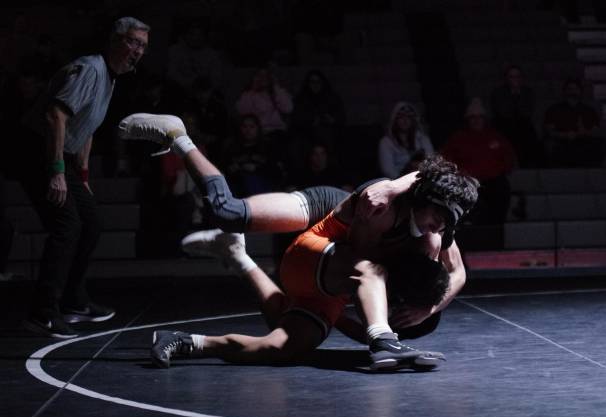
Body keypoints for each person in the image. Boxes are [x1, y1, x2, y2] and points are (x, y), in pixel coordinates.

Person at [118, 113, 479, 370]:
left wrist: (427, 310)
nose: (438, 228)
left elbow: (459, 273)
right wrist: (396, 184)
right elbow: (373, 243)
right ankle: (178, 136)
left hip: (332, 271)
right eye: (438, 218)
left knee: (282, 347)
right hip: (327, 226)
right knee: (226, 212)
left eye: (445, 224)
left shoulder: (433, 229)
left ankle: (196, 322)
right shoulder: (385, 207)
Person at [11, 17, 150, 339]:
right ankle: (42, 314)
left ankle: (74, 302)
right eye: (133, 42)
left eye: (143, 46)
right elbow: (55, 115)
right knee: (67, 226)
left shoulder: (111, 79)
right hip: (36, 151)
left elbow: (87, 127)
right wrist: (57, 172)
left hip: (63, 157)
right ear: (116, 41)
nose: (138, 51)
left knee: (91, 222)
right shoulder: (90, 69)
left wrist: (82, 174)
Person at [442, 98, 516, 225]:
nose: (476, 120)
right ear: (468, 119)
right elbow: (446, 159)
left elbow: (509, 157)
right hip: (467, 182)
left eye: (480, 117)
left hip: (493, 182)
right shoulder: (458, 138)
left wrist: (500, 170)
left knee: (501, 190)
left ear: (484, 119)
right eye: (473, 117)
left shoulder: (495, 136)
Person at [543, 79, 606, 167]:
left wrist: (583, 133)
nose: (572, 91)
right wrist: (565, 135)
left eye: (575, 89)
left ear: (580, 91)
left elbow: (596, 131)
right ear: (564, 91)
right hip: (562, 143)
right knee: (548, 144)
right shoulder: (553, 109)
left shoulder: (589, 111)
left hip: (583, 142)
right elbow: (549, 131)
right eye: (569, 89)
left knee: (602, 143)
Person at [490, 65, 543, 168]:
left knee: (529, 135)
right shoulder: (498, 93)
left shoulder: (528, 92)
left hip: (523, 126)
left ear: (521, 78)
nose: (515, 79)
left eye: (517, 76)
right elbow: (502, 112)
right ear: (506, 78)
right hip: (504, 125)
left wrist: (516, 96)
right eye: (512, 76)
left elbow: (527, 112)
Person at [378, 102, 434, 179]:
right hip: (397, 183)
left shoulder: (423, 139)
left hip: (421, 179)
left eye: (409, 117)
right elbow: (388, 170)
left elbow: (431, 161)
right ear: (395, 119)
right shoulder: (386, 142)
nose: (405, 120)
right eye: (401, 117)